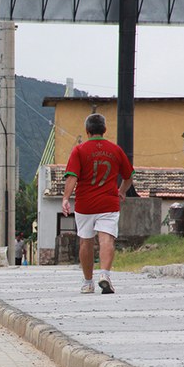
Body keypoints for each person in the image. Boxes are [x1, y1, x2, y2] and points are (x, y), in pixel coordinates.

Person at [61, 113, 134, 294]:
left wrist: (65, 198)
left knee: (85, 242)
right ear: (104, 130)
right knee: (106, 239)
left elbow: (72, 177)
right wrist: (121, 191)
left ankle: (88, 283)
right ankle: (105, 274)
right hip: (109, 203)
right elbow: (128, 177)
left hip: (85, 204)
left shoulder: (79, 150)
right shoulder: (115, 150)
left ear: (87, 131)